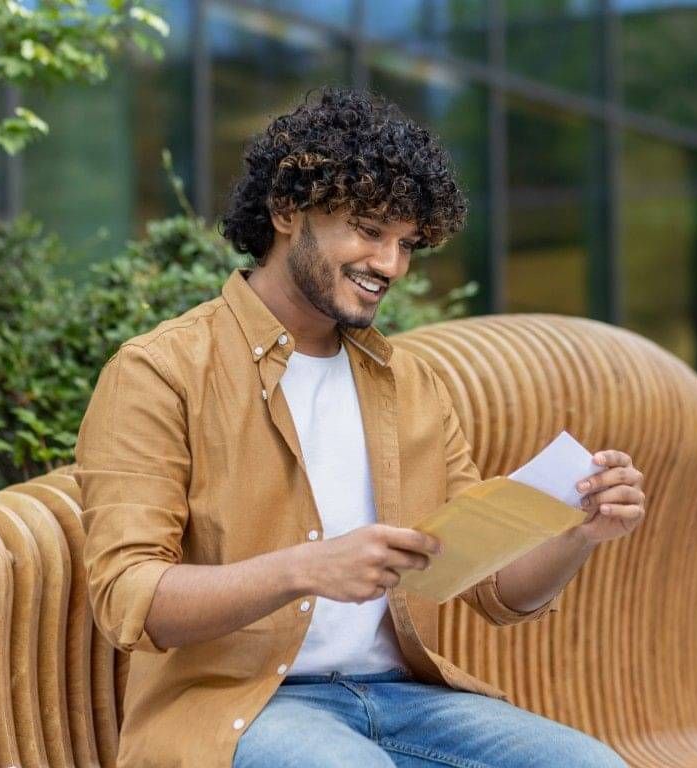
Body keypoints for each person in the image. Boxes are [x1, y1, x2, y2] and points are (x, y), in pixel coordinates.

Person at [75, 88, 646, 768]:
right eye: (368, 231)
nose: (390, 265)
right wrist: (303, 569)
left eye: (406, 244)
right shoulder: (161, 371)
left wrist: (577, 533)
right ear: (287, 210)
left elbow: (493, 590)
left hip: (403, 697)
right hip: (240, 706)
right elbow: (128, 597)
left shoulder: (409, 385)